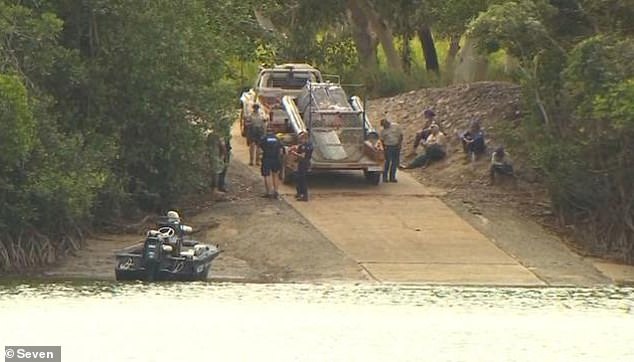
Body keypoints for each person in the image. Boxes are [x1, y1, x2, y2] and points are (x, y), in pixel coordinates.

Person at [259, 128, 284, 199]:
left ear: (266, 131)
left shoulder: (263, 138)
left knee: (267, 175)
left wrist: (260, 156)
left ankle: (269, 192)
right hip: (276, 159)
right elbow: (281, 150)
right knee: (275, 175)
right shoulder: (277, 138)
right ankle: (276, 191)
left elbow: (260, 149)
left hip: (266, 158)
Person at [291, 131, 313, 201]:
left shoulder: (306, 146)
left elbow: (302, 156)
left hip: (304, 163)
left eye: (301, 139)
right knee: (298, 178)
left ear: (305, 138)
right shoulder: (307, 144)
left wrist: (294, 153)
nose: (300, 140)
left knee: (303, 180)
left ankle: (304, 195)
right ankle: (299, 193)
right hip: (302, 163)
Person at [379, 118, 403, 183]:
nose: (384, 127)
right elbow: (381, 140)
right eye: (383, 126)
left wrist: (399, 144)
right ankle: (385, 178)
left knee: (395, 163)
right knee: (387, 162)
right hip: (388, 147)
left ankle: (392, 177)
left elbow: (401, 135)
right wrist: (383, 149)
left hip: (396, 146)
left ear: (387, 123)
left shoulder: (396, 126)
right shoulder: (382, 131)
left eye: (385, 125)